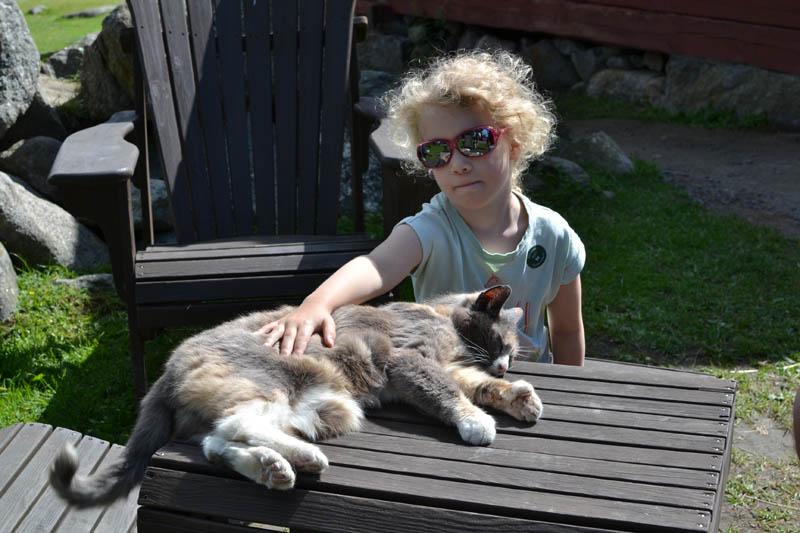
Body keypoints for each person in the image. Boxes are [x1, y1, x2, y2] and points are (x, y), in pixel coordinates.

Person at [260, 50, 585, 365]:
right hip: (449, 382)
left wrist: (574, 393)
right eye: (436, 151)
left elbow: (567, 332)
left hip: (538, 387)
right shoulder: (431, 230)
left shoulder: (554, 236)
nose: (457, 164)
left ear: (512, 145)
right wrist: (317, 303)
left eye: (475, 141)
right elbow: (376, 266)